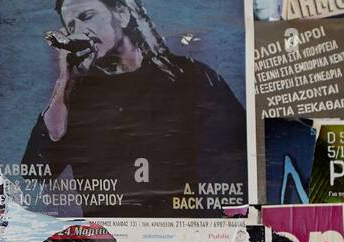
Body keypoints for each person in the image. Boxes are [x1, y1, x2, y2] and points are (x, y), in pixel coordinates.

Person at [22, 0, 246, 217]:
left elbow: (240, 161)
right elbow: (36, 172)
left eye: (87, 16)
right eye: (71, 27)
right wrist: (65, 81)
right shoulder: (76, 96)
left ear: (122, 13)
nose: (81, 31)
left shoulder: (191, 76)